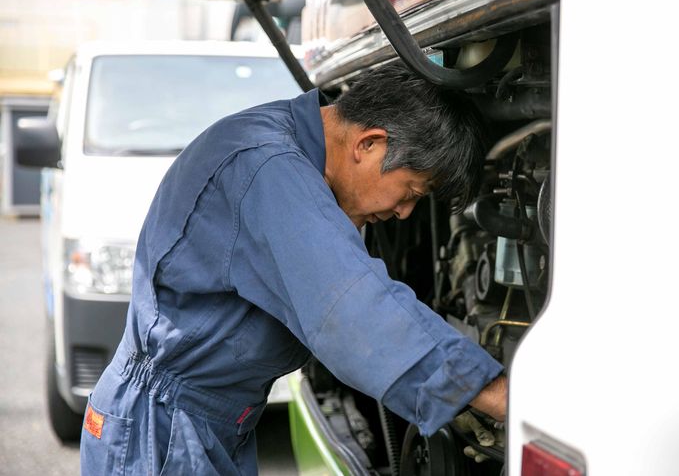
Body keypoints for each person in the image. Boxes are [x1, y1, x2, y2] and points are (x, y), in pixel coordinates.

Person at [80, 63, 506, 474]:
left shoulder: (282, 142)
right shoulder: (270, 168)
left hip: (196, 424)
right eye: (411, 191)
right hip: (165, 432)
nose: (404, 213)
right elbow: (353, 312)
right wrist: (493, 393)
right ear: (369, 144)